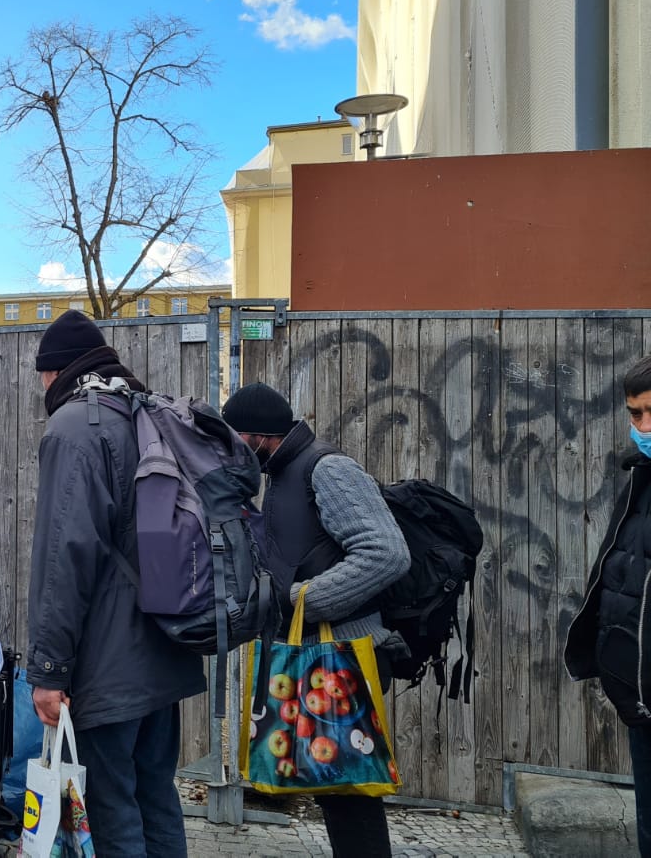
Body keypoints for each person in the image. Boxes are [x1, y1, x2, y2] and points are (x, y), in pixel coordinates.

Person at [26, 310, 205, 857]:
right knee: (157, 797)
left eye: (41, 378)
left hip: (109, 665)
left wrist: (50, 670)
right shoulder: (146, 413)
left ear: (55, 373)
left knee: (112, 810)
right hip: (165, 648)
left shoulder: (74, 428)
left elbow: (64, 558)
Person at [221, 381, 411, 858]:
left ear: (258, 436)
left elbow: (386, 553)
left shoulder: (328, 468)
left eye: (235, 441)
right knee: (335, 787)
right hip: (316, 659)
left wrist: (303, 600)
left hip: (345, 653)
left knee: (348, 792)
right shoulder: (281, 474)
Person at [567, 354, 651, 858]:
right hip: (640, 699)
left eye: (649, 412)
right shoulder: (641, 480)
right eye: (634, 414)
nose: (641, 426)